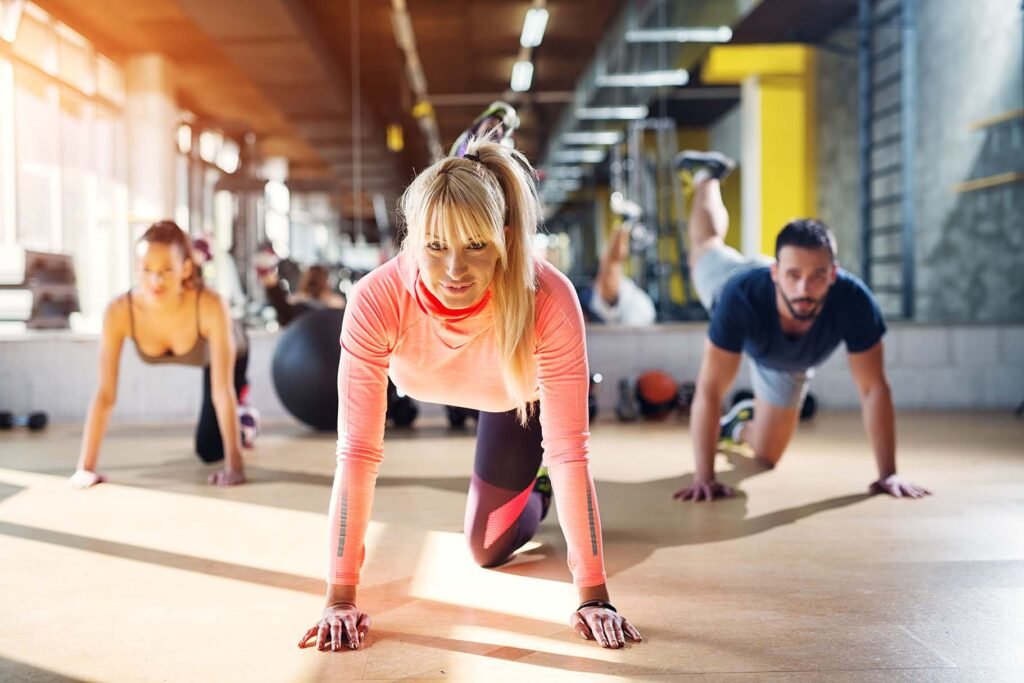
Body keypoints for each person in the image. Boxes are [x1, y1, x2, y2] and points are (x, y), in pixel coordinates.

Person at [298, 141, 642, 652]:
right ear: (413, 240)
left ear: (504, 238)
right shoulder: (376, 299)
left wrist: (594, 594)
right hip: (470, 382)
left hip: (520, 402)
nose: (454, 269)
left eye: (476, 245)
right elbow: (357, 453)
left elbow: (570, 452)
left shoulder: (547, 296)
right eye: (436, 246)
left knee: (486, 548)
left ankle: (536, 485)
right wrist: (339, 597)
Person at [671, 150, 930, 503]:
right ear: (775, 273)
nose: (804, 289)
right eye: (793, 276)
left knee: (767, 457)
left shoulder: (854, 301)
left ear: (833, 275)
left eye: (817, 277)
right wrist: (704, 477)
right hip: (733, 284)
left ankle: (736, 426)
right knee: (705, 246)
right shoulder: (739, 297)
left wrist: (889, 474)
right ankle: (706, 177)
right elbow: (710, 388)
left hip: (785, 363)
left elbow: (873, 389)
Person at [70, 221, 248, 488]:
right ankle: (241, 419)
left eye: (166, 269)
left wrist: (235, 468)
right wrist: (85, 468)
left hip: (228, 352)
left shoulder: (211, 305)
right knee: (211, 445)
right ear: (135, 268)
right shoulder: (120, 312)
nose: (156, 280)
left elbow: (221, 391)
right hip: (200, 353)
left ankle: (246, 417)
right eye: (146, 269)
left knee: (210, 449)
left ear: (186, 268)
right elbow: (106, 394)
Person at [258, 256, 346, 327]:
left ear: (305, 280)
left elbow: (284, 319)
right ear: (326, 282)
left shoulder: (294, 304)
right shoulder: (337, 306)